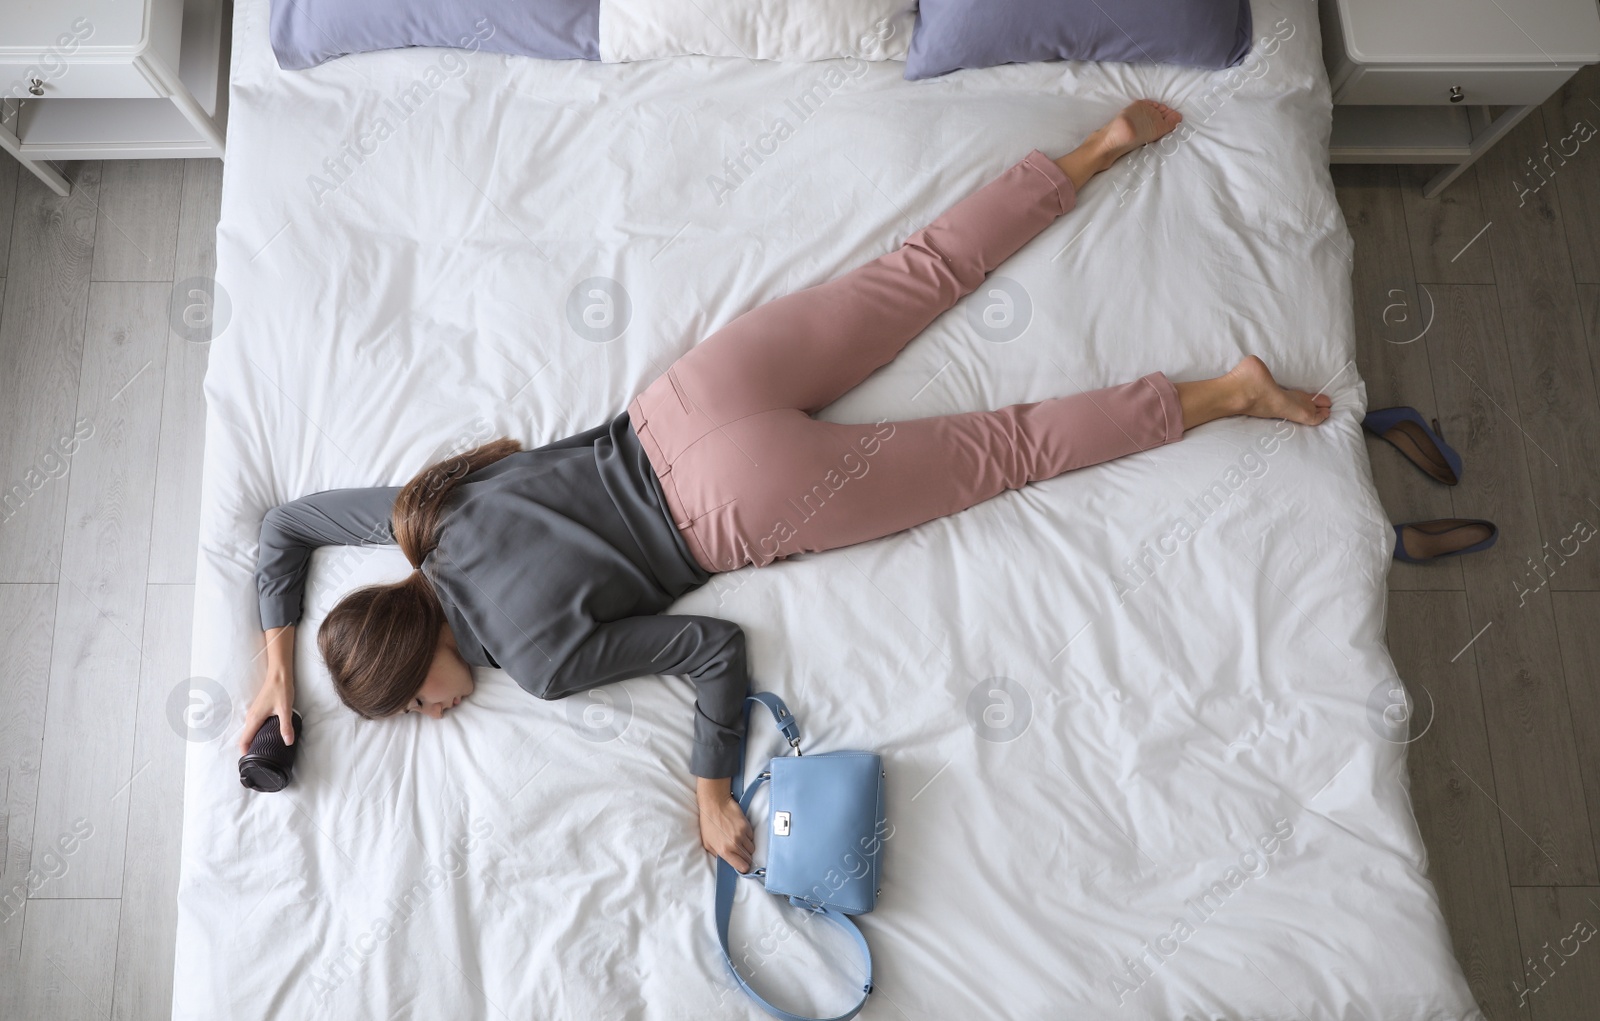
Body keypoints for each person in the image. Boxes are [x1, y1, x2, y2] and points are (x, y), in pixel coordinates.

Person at [239, 100, 1332, 875]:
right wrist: (272, 667)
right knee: (922, 275)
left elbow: (715, 653)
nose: (437, 715)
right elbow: (287, 527)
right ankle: (1095, 150)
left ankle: (1226, 395)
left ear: (421, 671)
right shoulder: (429, 518)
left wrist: (709, 793)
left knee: (1009, 450)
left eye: (417, 706)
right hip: (692, 397)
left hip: (745, 502)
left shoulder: (540, 663)